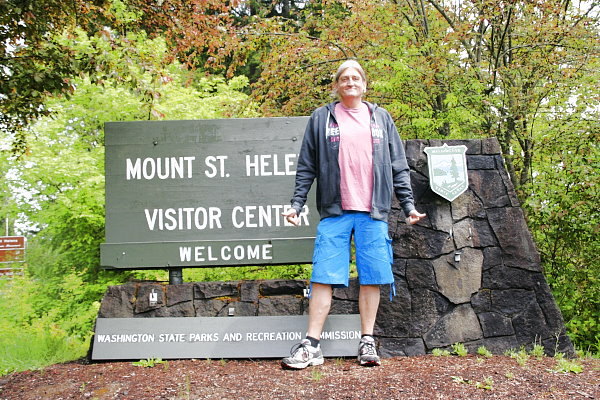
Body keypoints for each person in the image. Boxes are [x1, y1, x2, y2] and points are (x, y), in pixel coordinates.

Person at [280, 59, 426, 369]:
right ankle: (312, 345)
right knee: (322, 276)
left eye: (355, 77)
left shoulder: (381, 118)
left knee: (371, 276)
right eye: (344, 78)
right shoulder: (322, 118)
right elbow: (306, 166)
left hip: (373, 212)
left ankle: (367, 341)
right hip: (335, 211)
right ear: (336, 85)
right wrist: (296, 204)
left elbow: (398, 166)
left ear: (364, 84)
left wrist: (409, 206)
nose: (350, 82)